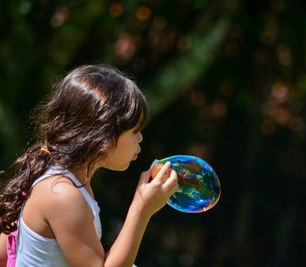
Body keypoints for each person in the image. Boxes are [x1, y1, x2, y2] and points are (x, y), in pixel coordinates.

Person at [0, 65, 179, 266]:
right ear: (103, 134)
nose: (140, 137)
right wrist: (142, 208)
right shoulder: (62, 194)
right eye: (134, 130)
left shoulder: (62, 175)